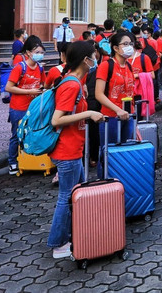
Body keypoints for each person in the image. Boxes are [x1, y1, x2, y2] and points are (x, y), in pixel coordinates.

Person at [46, 40, 106, 259]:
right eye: (94, 55)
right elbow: (57, 120)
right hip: (67, 151)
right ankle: (58, 242)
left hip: (74, 150)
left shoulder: (76, 82)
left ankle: (70, 235)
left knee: (75, 195)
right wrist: (89, 114)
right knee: (67, 197)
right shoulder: (71, 84)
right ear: (85, 59)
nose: (96, 59)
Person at [5, 36, 46, 175]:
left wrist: (41, 91)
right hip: (18, 108)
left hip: (33, 108)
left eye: (41, 52)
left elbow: (43, 85)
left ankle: (29, 160)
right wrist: (29, 91)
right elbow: (9, 87)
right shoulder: (20, 67)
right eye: (37, 52)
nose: (40, 55)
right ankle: (12, 162)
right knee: (17, 135)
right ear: (28, 53)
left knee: (31, 134)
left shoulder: (40, 68)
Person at [94, 31, 135, 143]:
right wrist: (118, 110)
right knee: (109, 152)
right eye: (125, 44)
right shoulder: (106, 65)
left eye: (131, 44)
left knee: (126, 150)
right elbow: (98, 94)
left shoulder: (129, 66)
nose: (130, 47)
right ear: (116, 48)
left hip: (129, 115)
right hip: (111, 117)